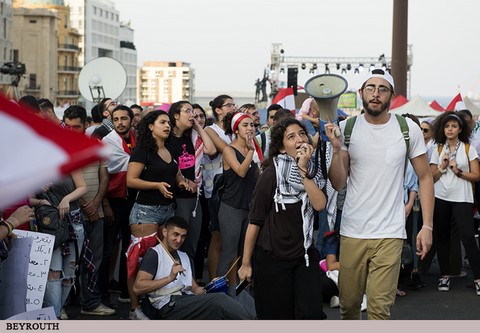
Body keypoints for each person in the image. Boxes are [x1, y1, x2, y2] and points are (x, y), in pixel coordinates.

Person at [324, 68, 434, 320]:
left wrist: (427, 226)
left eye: (382, 89)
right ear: (361, 93)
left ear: (391, 96)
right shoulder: (346, 128)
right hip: (353, 231)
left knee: (379, 310)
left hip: (391, 232)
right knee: (349, 306)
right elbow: (338, 183)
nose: (376, 94)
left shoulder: (408, 130)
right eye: (370, 88)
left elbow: (426, 177)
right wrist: (337, 148)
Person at [238, 117, 328, 319]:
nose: (299, 139)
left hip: (304, 255)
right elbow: (255, 221)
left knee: (311, 315)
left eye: (302, 134)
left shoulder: (313, 170)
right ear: (281, 148)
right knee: (277, 317)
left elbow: (320, 204)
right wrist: (245, 263)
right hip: (273, 259)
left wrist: (303, 171)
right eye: (291, 136)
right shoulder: (271, 174)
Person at [126, 110, 190, 319]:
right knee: (139, 262)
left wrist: (181, 181)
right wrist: (156, 185)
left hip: (167, 210)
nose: (167, 126)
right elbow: (131, 180)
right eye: (162, 122)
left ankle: (155, 304)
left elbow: (175, 172)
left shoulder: (170, 148)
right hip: (146, 212)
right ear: (151, 126)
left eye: (169, 123)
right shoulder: (142, 150)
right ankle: (134, 309)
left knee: (162, 261)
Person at [133, 216, 254, 320]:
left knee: (233, 292)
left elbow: (196, 290)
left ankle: (260, 318)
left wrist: (211, 287)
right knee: (219, 301)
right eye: (175, 234)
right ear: (165, 232)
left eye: (183, 236)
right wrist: (169, 278)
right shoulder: (154, 254)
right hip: (168, 305)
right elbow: (138, 288)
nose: (179, 240)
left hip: (186, 301)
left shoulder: (184, 257)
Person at [61, 105, 117, 316]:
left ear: (85, 125)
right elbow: (66, 183)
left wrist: (97, 203)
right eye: (67, 126)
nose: (70, 130)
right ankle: (62, 304)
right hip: (72, 213)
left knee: (95, 260)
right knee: (69, 261)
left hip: (96, 211)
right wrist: (87, 204)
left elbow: (104, 177)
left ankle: (91, 303)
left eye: (76, 127)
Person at [429, 111, 480, 295]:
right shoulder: (437, 149)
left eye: (454, 126)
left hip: (462, 198)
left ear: (460, 129)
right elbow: (431, 178)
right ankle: (444, 276)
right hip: (441, 197)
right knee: (441, 237)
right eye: (447, 126)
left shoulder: (468, 148)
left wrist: (458, 172)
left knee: (468, 237)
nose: (450, 129)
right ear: (443, 129)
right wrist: (442, 167)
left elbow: (476, 175)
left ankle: (478, 278)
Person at [100, 105, 138, 317]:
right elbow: (101, 175)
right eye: (116, 119)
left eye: (124, 118)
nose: (121, 122)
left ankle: (126, 290)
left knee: (130, 248)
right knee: (107, 251)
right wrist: (105, 205)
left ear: (131, 120)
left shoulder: (138, 139)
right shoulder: (107, 142)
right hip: (113, 202)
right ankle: (103, 295)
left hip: (133, 200)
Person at [166, 101, 216, 264]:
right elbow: (167, 167)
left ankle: (189, 281)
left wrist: (198, 127)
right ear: (175, 115)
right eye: (188, 111)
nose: (192, 115)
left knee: (191, 242)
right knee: (175, 243)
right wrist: (185, 181)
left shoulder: (192, 137)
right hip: (176, 198)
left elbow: (211, 149)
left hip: (194, 198)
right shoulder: (167, 139)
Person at [217, 112, 260, 295]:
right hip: (231, 208)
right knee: (228, 255)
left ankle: (242, 296)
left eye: (252, 125)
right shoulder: (229, 150)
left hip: (249, 209)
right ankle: (218, 296)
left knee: (246, 256)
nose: (250, 128)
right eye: (245, 125)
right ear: (236, 129)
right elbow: (241, 172)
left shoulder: (253, 149)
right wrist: (251, 151)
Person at [204, 94, 236, 280]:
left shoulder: (236, 129)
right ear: (218, 110)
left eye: (233, 105)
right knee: (218, 239)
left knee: (233, 241)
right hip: (216, 189)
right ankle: (215, 281)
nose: (233, 108)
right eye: (229, 105)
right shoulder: (210, 130)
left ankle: (234, 282)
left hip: (237, 189)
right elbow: (226, 149)